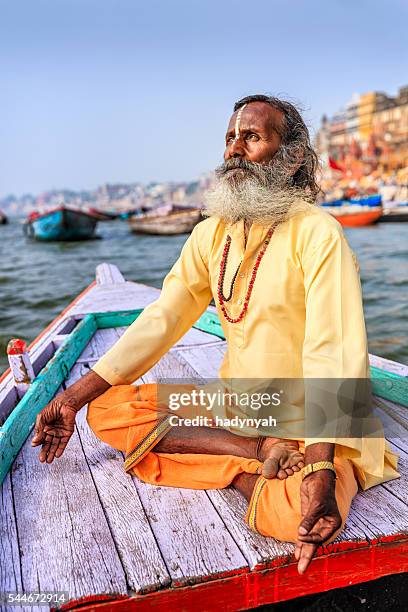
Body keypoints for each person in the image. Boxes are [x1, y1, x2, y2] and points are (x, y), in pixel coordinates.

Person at [31, 95, 399, 575]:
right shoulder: (212, 234)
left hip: (311, 415)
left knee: (295, 514)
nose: (234, 150)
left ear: (290, 162)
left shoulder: (318, 234)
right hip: (239, 407)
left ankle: (273, 470)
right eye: (230, 137)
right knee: (106, 410)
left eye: (252, 137)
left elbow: (333, 349)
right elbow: (164, 315)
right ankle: (254, 456)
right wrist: (72, 399)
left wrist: (322, 468)